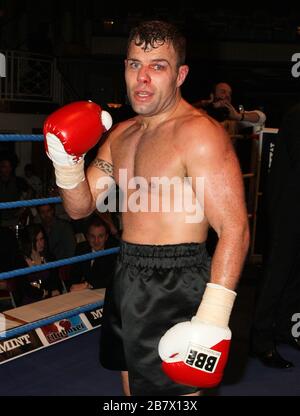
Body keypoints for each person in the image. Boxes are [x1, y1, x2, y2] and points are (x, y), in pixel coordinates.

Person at [43, 20, 249, 396]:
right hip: (127, 273)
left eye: (157, 66)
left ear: (180, 74)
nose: (142, 77)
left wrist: (212, 317)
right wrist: (67, 165)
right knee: (130, 386)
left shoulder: (199, 135)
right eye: (134, 64)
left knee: (177, 396)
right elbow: (79, 208)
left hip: (177, 280)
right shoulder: (121, 136)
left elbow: (235, 229)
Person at [250, 102, 300, 368]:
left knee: (294, 275)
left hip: (293, 209)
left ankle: (283, 329)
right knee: (277, 275)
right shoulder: (297, 114)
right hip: (288, 211)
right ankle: (260, 341)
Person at [194, 82, 266, 134]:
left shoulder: (233, 116)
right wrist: (203, 103)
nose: (227, 95)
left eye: (229, 93)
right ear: (212, 95)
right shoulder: (201, 113)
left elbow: (261, 117)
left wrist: (238, 116)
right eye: (223, 92)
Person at [69, 214, 118, 291]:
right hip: (84, 294)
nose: (96, 241)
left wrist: (88, 285)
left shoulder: (114, 250)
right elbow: (73, 275)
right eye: (92, 236)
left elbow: (112, 279)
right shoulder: (81, 248)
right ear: (87, 237)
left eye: (100, 236)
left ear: (106, 237)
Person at [18, 223, 63, 304]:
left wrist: (51, 292)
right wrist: (46, 293)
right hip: (30, 302)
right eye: (35, 240)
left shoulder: (49, 257)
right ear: (28, 242)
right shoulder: (20, 260)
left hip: (50, 298)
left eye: (42, 239)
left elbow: (55, 281)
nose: (40, 243)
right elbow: (25, 288)